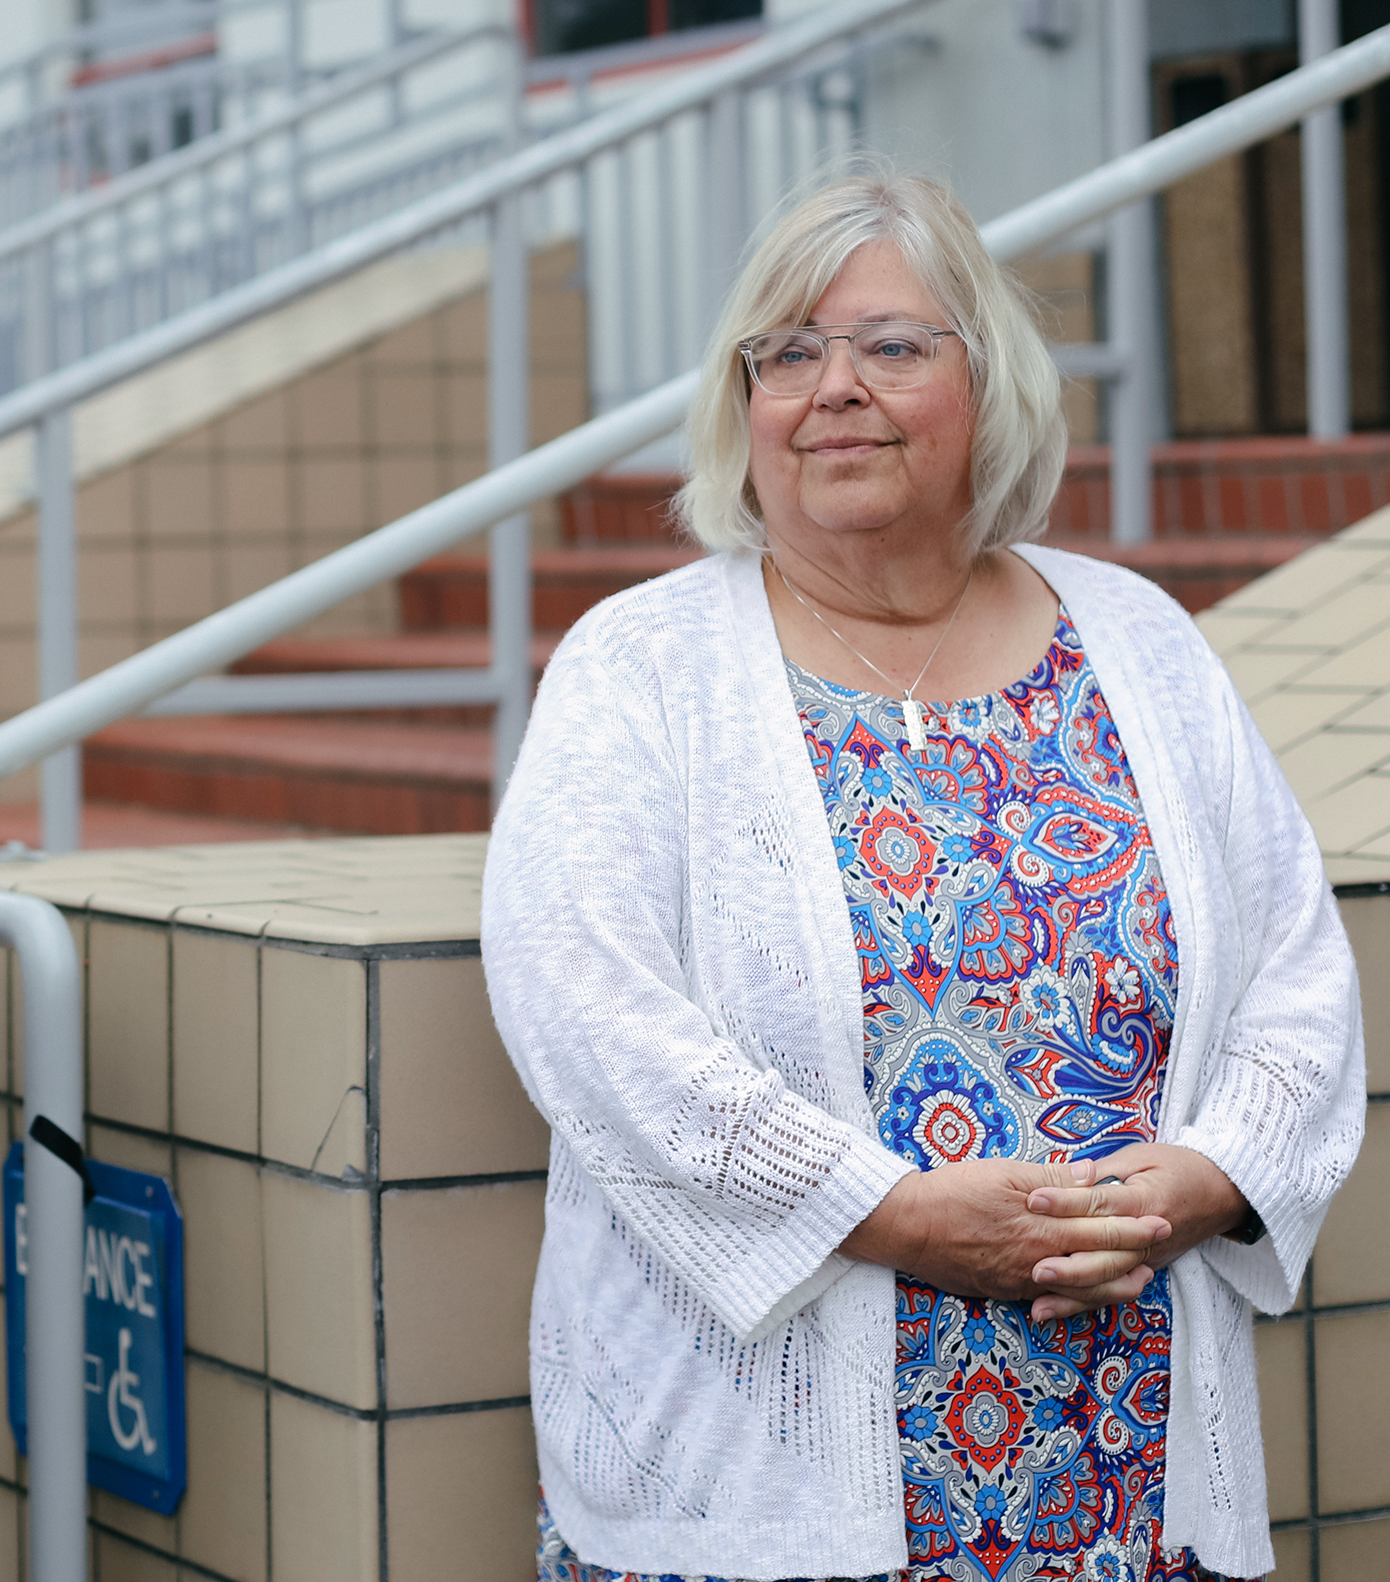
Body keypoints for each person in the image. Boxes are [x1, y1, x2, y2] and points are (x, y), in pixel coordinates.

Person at [481, 172, 1365, 1582]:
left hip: (1130, 1497)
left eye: (891, 346)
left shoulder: (1136, 635)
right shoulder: (640, 667)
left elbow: (1297, 974)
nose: (833, 388)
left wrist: (1205, 1179)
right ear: (745, 402)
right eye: (788, 351)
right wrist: (889, 1217)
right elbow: (584, 1011)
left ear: (988, 382)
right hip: (756, 1509)